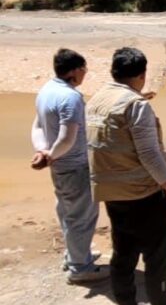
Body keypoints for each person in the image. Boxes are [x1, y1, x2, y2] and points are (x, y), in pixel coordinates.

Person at [86, 47, 166, 305]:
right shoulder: (137, 107)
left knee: (123, 255)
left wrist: (138, 99)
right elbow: (150, 157)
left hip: (113, 195)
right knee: (159, 259)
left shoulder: (96, 100)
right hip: (144, 196)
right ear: (142, 75)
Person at [31, 48, 109, 284]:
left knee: (68, 211)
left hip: (60, 167)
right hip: (75, 166)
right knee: (82, 215)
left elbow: (37, 127)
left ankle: (75, 255)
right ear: (75, 71)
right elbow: (67, 137)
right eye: (84, 69)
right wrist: (51, 154)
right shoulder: (71, 97)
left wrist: (43, 152)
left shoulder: (46, 90)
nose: (85, 74)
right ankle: (80, 268)